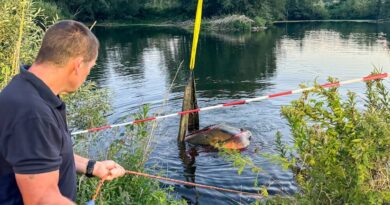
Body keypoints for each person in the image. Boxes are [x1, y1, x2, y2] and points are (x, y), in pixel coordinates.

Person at [0, 20, 126, 205]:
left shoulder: (26, 90)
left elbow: (42, 156)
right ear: (78, 65)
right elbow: (41, 199)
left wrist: (92, 167)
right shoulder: (32, 114)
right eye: (90, 68)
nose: (86, 75)